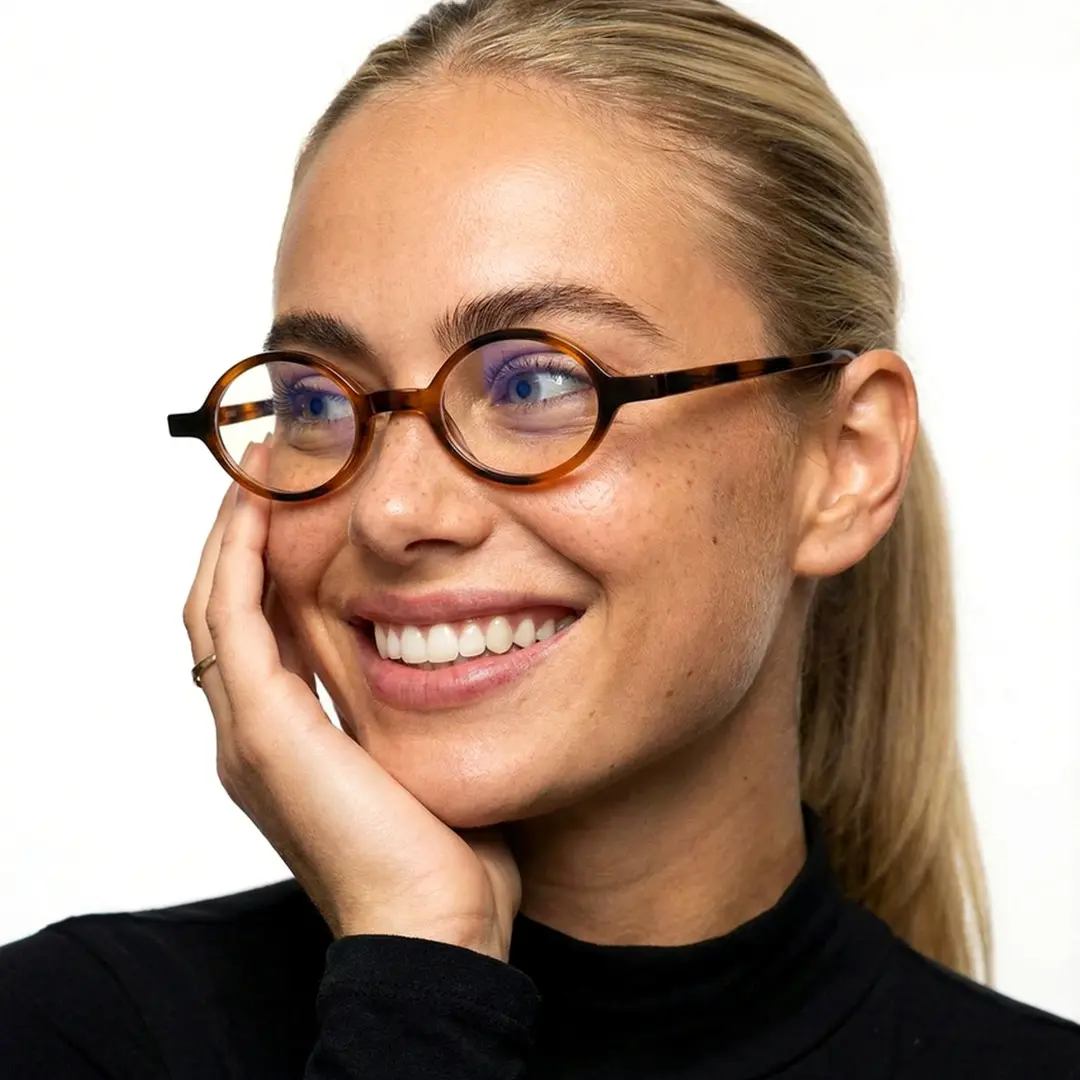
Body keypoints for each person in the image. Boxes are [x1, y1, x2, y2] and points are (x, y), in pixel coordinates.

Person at [2, 0, 1078, 1076]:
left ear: (845, 463)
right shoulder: (70, 1036)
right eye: (316, 400)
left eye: (536, 383)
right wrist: (420, 973)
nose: (392, 511)